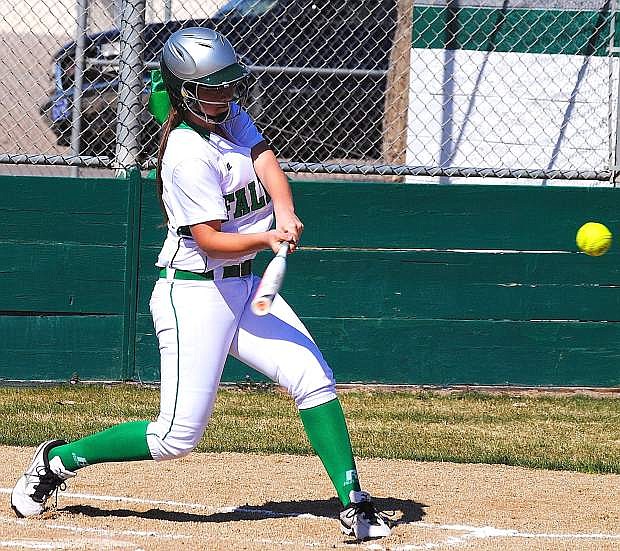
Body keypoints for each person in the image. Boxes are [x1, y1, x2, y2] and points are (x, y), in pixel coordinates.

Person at [10, 27, 392, 541]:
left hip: (242, 288)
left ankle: (355, 502)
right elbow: (210, 241)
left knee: (311, 374)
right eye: (212, 88)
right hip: (192, 293)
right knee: (176, 435)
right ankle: (57, 460)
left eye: (227, 85)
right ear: (185, 91)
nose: (225, 95)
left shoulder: (227, 114)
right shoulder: (185, 152)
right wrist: (266, 239)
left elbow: (262, 156)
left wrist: (285, 209)